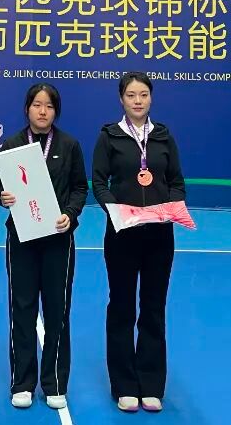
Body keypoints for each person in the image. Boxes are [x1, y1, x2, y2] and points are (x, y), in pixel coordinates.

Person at [91, 71, 185, 414]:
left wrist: (170, 207)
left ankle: (151, 384)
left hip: (159, 236)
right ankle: (124, 385)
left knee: (153, 307)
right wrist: (117, 210)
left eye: (143, 94)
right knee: (122, 307)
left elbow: (176, 182)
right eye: (131, 95)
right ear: (121, 99)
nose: (138, 101)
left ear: (151, 97)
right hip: (122, 235)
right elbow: (98, 182)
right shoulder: (109, 136)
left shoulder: (163, 136)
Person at [0, 83, 88, 411]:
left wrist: (70, 214)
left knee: (57, 310)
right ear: (27, 109)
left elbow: (79, 188)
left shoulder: (69, 145)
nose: (42, 110)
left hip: (58, 239)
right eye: (37, 104)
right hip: (21, 239)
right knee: (22, 309)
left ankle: (55, 383)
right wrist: (3, 197)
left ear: (55, 110)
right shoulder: (13, 145)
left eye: (48, 105)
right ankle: (22, 383)